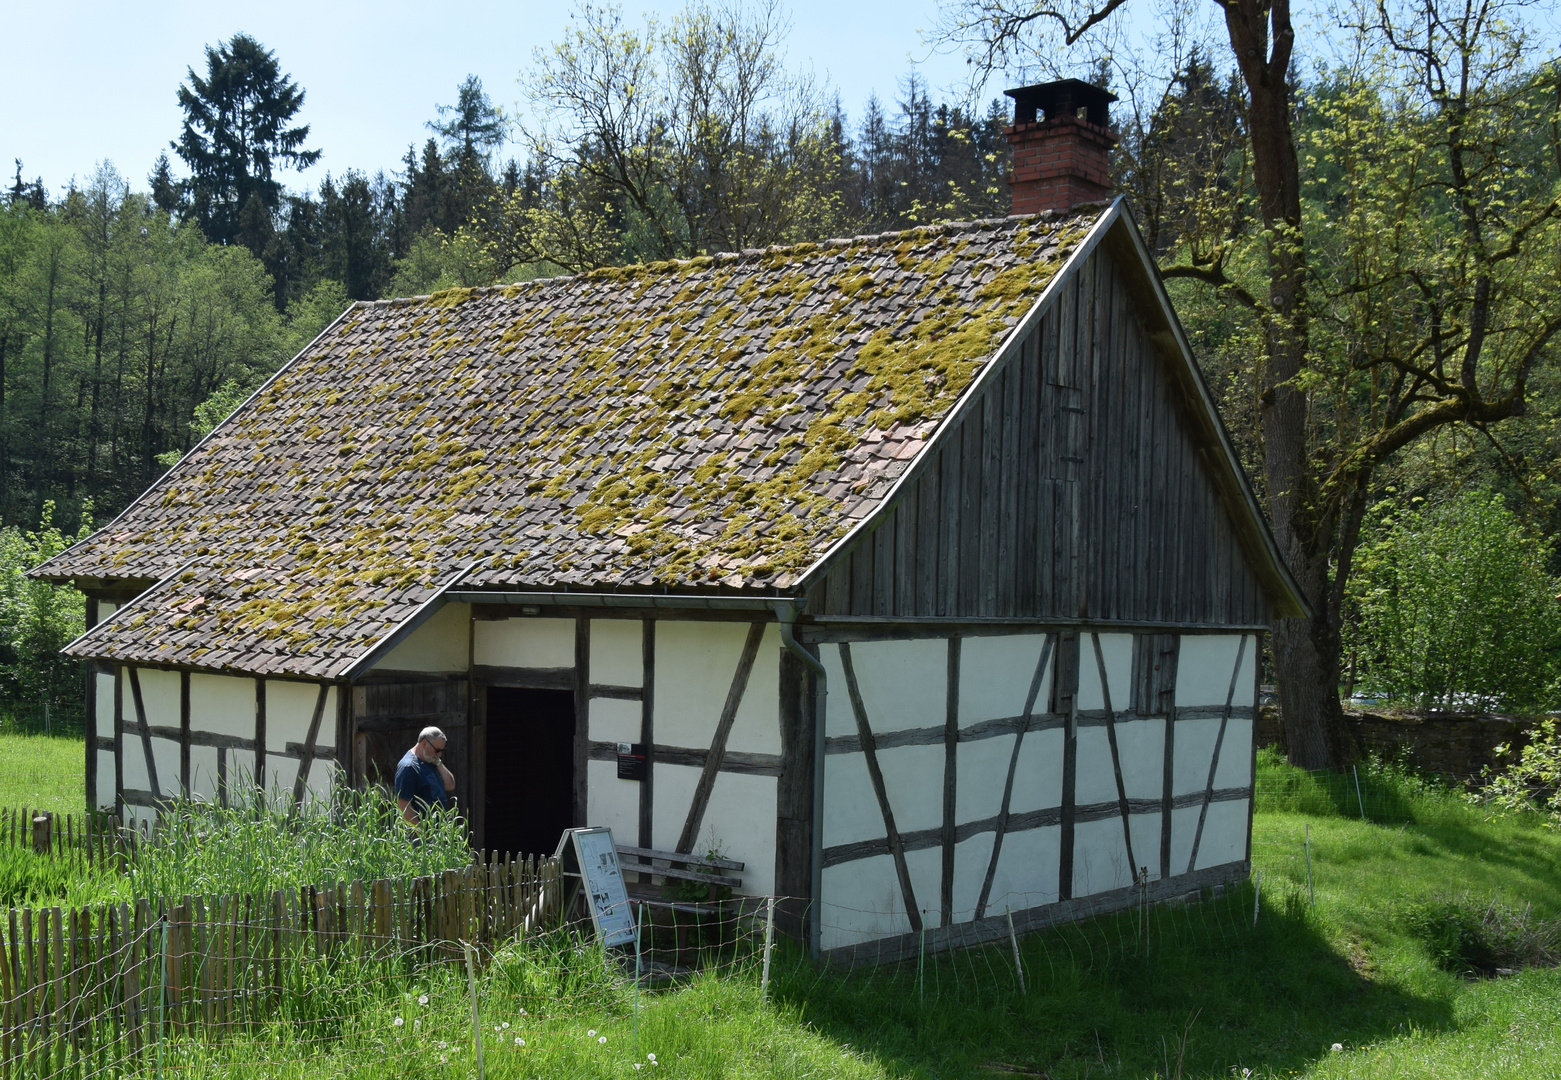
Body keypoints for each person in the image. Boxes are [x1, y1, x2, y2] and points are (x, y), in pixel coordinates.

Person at [394, 726, 455, 824]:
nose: (439, 755)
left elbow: (450, 785)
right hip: (420, 835)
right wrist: (422, 835)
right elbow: (403, 805)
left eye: (442, 751)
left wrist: (439, 763)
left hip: (436, 832)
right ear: (424, 743)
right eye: (437, 750)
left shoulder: (430, 760)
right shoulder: (409, 767)